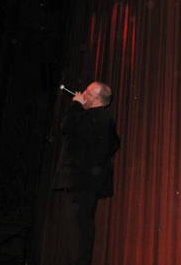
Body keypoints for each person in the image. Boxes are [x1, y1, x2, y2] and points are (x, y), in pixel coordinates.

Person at [43, 81, 120, 265]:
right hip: (87, 183)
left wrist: (76, 104)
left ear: (97, 99)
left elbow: (66, 125)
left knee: (78, 231)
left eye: (87, 93)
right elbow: (114, 144)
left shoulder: (95, 117)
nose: (83, 94)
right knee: (81, 229)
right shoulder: (103, 119)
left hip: (80, 182)